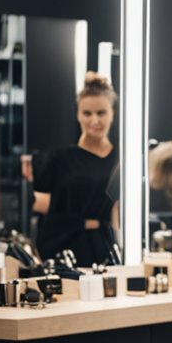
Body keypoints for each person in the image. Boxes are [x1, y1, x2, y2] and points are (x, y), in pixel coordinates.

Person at [24, 72, 120, 265]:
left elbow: (117, 212)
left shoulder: (120, 160)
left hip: (105, 249)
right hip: (63, 250)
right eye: (87, 113)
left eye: (101, 113)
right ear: (78, 115)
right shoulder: (59, 160)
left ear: (112, 114)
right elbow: (36, 203)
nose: (95, 121)